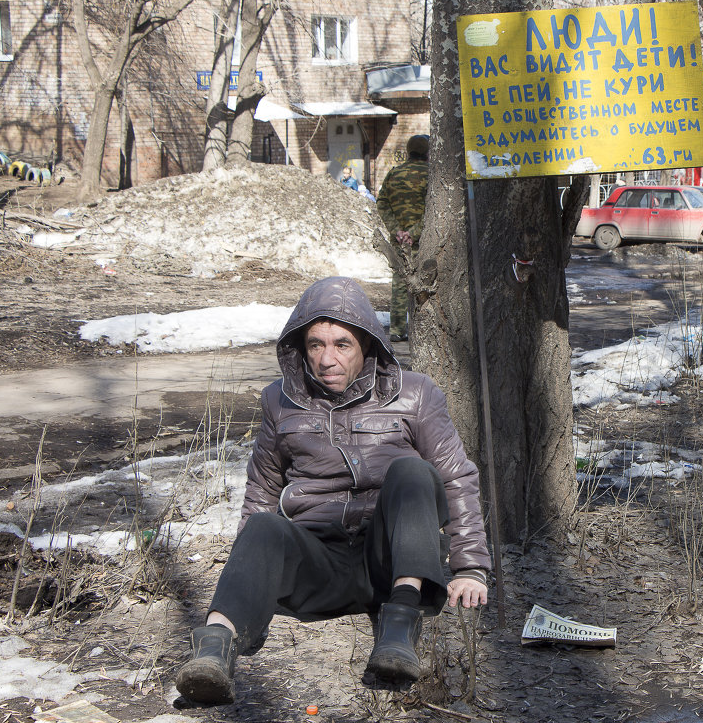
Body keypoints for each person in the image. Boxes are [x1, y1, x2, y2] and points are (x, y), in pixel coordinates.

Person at [174, 276, 490, 705]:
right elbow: (262, 490)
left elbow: (455, 477)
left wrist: (470, 567)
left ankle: (398, 628)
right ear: (301, 348)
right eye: (315, 345)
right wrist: (252, 582)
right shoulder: (278, 400)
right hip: (319, 563)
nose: (327, 359)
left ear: (367, 345)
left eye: (341, 344)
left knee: (412, 472)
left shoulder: (415, 393)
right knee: (265, 524)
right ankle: (213, 650)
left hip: (391, 561)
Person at [378, 134, 430, 342]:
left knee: (400, 284)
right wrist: (414, 233)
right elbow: (436, 208)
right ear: (428, 152)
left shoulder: (394, 174)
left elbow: (382, 203)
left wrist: (397, 230)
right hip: (425, 240)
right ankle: (423, 329)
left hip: (399, 242)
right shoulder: (433, 175)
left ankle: (398, 330)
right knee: (427, 285)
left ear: (409, 152)